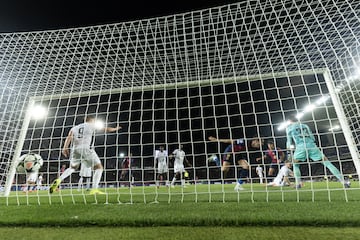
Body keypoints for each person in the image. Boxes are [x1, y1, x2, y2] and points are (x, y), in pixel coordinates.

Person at [49, 114, 122, 195]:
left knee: (72, 168)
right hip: (85, 148)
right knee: (99, 167)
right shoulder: (91, 125)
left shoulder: (75, 127)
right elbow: (105, 129)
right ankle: (94, 189)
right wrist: (115, 129)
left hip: (75, 149)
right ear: (91, 119)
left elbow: (69, 137)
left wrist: (65, 147)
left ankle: (58, 180)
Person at [286, 119, 350, 188]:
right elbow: (313, 138)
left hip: (300, 147)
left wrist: (289, 151)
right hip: (312, 146)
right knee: (327, 163)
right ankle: (343, 182)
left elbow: (289, 141)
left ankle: (298, 184)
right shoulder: (305, 126)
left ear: (289, 121)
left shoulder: (289, 128)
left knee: (296, 165)